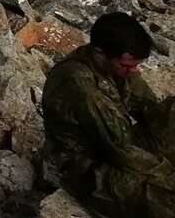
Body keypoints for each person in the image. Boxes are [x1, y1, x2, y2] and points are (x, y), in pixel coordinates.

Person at [42, 12, 175, 217]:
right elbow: (119, 150)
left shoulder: (112, 66)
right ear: (100, 53)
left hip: (119, 141)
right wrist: (166, 172)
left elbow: (146, 105)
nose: (133, 71)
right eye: (127, 66)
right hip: (93, 169)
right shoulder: (82, 88)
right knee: (165, 197)